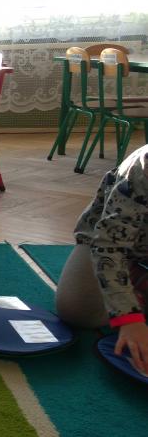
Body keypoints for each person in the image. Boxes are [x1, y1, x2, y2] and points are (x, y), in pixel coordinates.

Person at [56, 144, 148, 373]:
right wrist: (129, 320)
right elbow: (109, 244)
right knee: (77, 310)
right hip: (110, 243)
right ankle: (133, 280)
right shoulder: (142, 167)